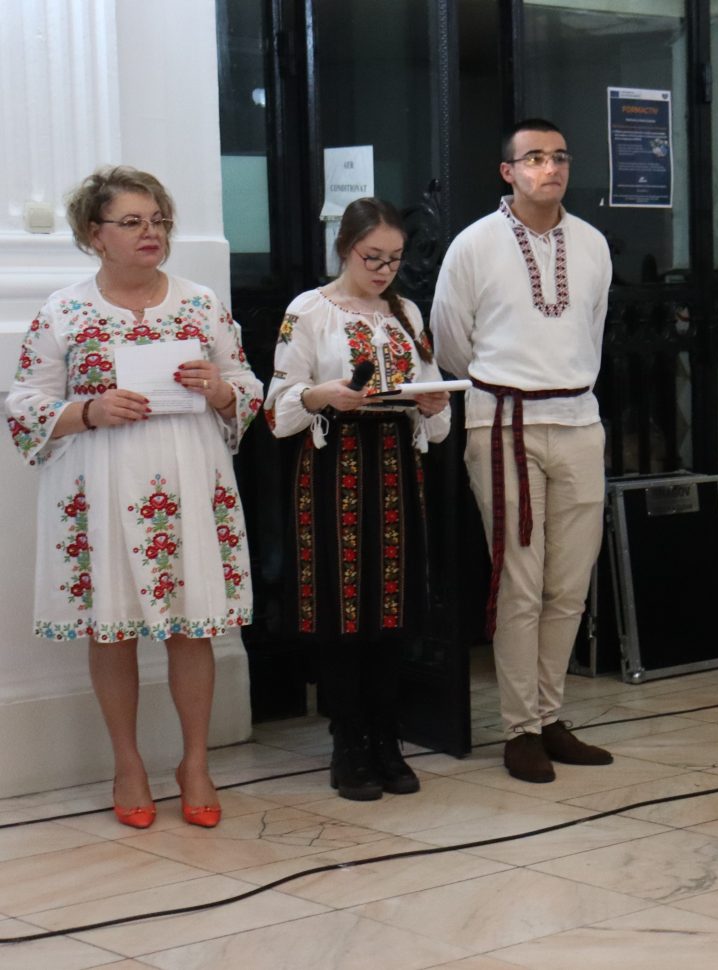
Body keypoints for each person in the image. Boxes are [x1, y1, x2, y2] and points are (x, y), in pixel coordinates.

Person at [6, 166, 263, 829]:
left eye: (158, 221)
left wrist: (221, 390)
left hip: (189, 481)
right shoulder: (64, 311)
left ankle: (196, 763)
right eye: (132, 222)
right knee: (111, 626)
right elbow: (24, 404)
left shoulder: (201, 303)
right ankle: (128, 764)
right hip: (100, 489)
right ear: (95, 234)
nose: (151, 233)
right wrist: (89, 411)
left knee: (192, 626)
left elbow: (245, 384)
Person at [432, 118, 615, 784]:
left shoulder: (592, 243)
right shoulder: (475, 244)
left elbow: (592, 331)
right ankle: (520, 729)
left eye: (559, 157)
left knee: (570, 584)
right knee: (521, 582)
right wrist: (504, 386)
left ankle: (550, 713)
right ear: (508, 172)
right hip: (503, 422)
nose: (550, 168)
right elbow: (450, 341)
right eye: (534, 158)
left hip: (579, 420)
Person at [265, 198, 451, 800]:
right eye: (373, 257)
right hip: (332, 466)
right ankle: (348, 744)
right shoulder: (309, 311)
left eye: (394, 259)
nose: (384, 270)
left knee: (390, 610)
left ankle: (386, 739)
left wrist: (432, 404)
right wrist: (322, 395)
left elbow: (433, 410)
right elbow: (277, 408)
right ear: (346, 249)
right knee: (342, 610)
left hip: (395, 465)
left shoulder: (406, 313)